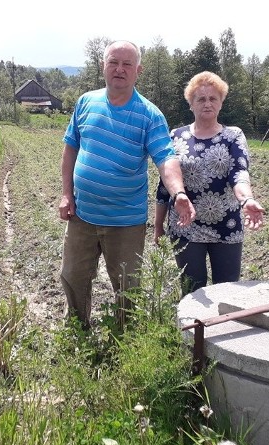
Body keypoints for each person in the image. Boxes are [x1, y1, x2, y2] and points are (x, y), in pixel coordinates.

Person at [58, 40, 196, 329]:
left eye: (127, 64)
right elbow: (71, 148)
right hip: (82, 215)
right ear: (103, 66)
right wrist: (67, 194)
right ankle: (78, 331)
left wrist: (178, 193)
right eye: (113, 62)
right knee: (73, 276)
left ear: (138, 71)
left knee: (127, 286)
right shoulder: (85, 102)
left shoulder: (149, 115)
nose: (119, 69)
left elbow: (166, 158)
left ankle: (124, 340)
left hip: (125, 222)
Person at [154, 71, 264, 295]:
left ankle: (225, 330)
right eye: (200, 99)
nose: (207, 103)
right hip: (185, 227)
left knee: (227, 292)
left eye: (213, 98)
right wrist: (157, 225)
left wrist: (247, 199)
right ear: (191, 104)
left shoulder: (233, 136)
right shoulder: (176, 136)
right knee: (193, 293)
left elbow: (239, 172)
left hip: (227, 227)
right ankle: (194, 331)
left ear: (221, 103)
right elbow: (165, 185)